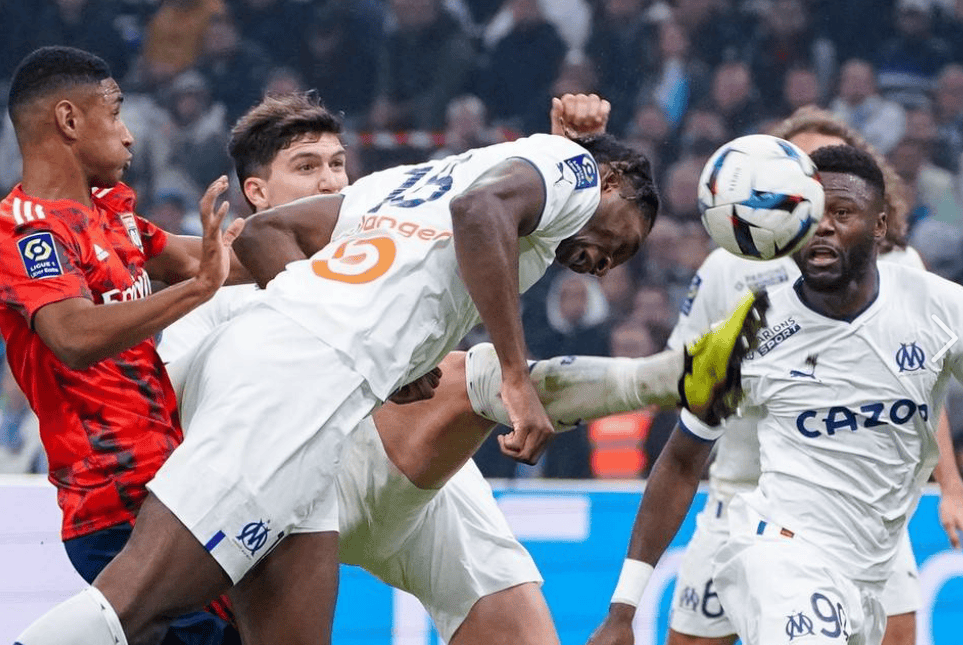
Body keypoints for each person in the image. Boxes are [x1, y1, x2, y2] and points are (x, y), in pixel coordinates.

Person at [16, 90, 767, 645]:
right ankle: (668, 375)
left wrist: (391, 355)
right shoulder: (548, 175)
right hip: (294, 390)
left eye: (336, 162)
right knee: (133, 604)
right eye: (625, 239)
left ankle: (669, 374)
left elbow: (490, 205)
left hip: (337, 412)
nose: (609, 263)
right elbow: (486, 210)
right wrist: (513, 369)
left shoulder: (394, 190)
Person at [587, 144, 963, 645]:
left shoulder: (938, 309)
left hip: (870, 575)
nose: (823, 227)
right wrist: (623, 608)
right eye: (813, 213)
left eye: (842, 213)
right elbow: (680, 461)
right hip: (780, 552)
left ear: (878, 226)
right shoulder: (747, 329)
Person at [0, 46, 249, 644]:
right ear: (68, 120)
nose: (129, 134)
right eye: (114, 114)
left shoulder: (114, 216)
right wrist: (197, 289)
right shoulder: (24, 226)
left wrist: (356, 238)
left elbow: (213, 261)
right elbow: (72, 336)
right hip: (113, 503)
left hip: (171, 489)